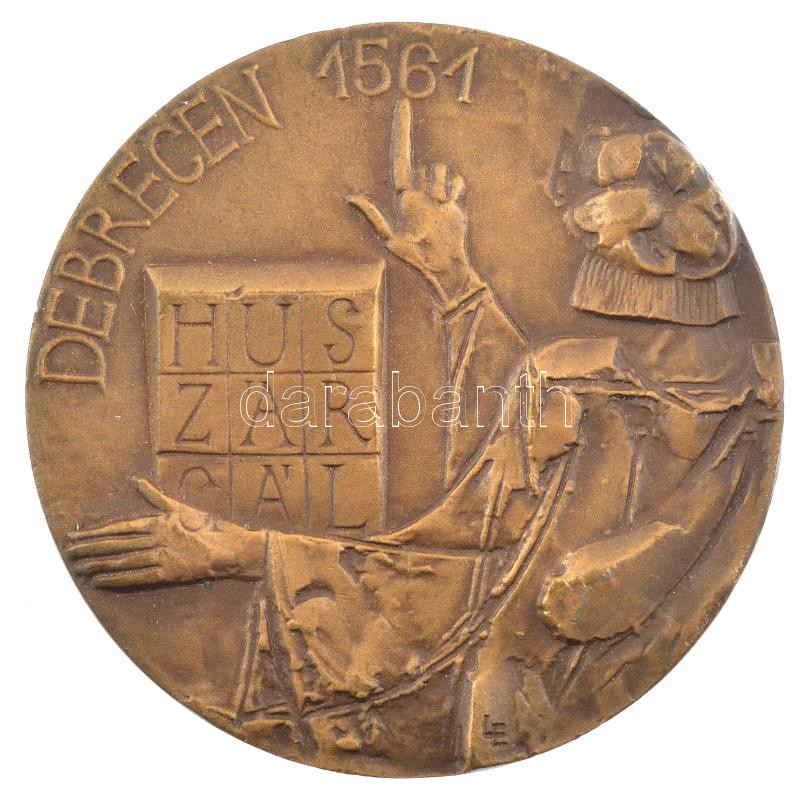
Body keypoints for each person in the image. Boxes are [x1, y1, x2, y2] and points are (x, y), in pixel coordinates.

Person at [66, 99, 779, 771]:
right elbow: (506, 496)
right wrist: (455, 279)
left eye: (592, 213)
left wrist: (248, 553)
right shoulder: (617, 385)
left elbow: (498, 583)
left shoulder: (698, 432)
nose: (579, 225)